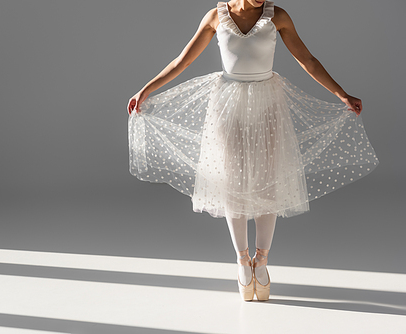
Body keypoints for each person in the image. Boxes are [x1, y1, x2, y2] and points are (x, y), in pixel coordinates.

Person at [126, 0, 378, 301]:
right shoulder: (216, 16)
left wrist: (342, 93)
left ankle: (262, 259)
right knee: (232, 182)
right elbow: (183, 61)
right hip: (228, 105)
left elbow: (307, 60)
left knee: (267, 182)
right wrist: (146, 89)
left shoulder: (278, 15)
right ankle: (242, 260)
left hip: (267, 103)